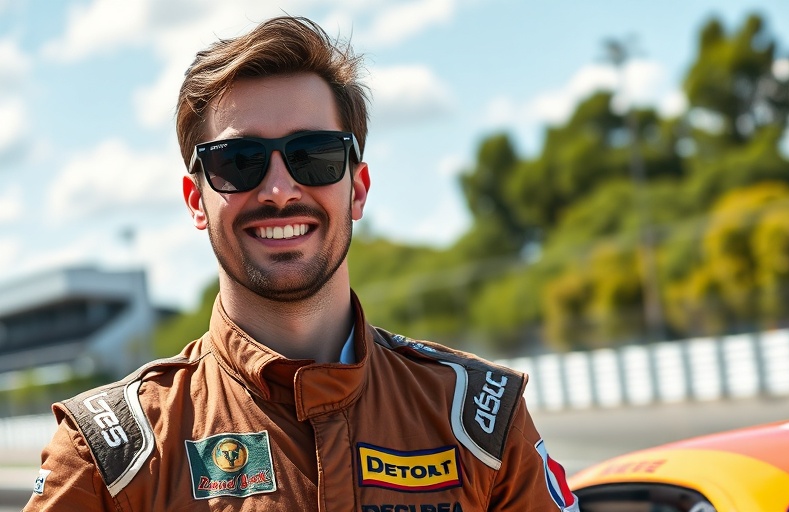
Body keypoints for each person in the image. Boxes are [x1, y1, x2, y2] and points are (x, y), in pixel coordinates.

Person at [24, 16, 580, 512]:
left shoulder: (479, 420)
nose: (278, 189)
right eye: (239, 162)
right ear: (197, 200)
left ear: (356, 189)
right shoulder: (112, 454)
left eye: (313, 155)